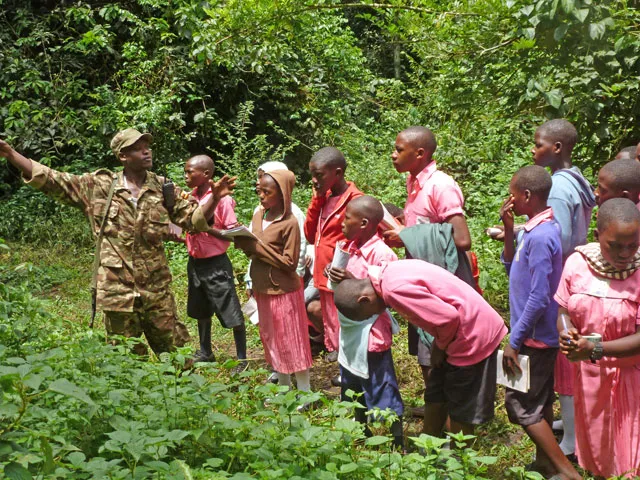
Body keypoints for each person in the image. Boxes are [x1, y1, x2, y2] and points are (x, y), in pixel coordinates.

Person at [0, 130, 234, 356]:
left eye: (147, 148)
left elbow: (193, 221)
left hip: (156, 289)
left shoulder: (164, 188)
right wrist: (11, 154)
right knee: (126, 358)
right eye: (138, 149)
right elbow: (53, 179)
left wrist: (214, 197)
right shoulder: (99, 186)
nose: (146, 153)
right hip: (117, 291)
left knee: (177, 354)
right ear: (122, 156)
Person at [333, 259, 507, 440]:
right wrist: (440, 344)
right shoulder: (387, 273)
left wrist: (439, 346)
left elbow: (448, 318)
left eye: (369, 314)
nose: (375, 314)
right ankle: (428, 447)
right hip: (453, 334)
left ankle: (458, 460)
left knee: (461, 407)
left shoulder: (393, 291)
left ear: (364, 300)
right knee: (435, 394)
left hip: (471, 333)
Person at [382, 126, 473, 409]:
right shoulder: (414, 182)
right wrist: (405, 238)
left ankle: (447, 420)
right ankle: (438, 409)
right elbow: (428, 229)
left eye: (399, 150)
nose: (393, 155)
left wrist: (408, 235)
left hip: (441, 282)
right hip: (421, 278)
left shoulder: (440, 186)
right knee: (425, 353)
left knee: (438, 351)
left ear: (420, 153)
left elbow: (461, 238)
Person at [499, 166, 580, 479]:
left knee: (519, 404)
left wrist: (514, 341)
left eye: (514, 194)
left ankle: (565, 471)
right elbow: (511, 268)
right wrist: (508, 229)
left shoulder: (543, 236)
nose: (510, 200)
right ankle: (546, 465)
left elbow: (540, 295)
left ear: (527, 195)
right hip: (529, 333)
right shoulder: (533, 230)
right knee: (541, 401)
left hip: (533, 337)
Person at [556, 198, 640, 478]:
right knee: (598, 451)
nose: (624, 253)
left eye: (632, 245)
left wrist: (596, 348)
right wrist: (566, 332)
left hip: (632, 380)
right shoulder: (578, 263)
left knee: (630, 456)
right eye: (614, 245)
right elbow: (564, 309)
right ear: (597, 236)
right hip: (590, 378)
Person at [531, 118, 596, 457]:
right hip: (575, 271)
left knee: (564, 356)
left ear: (557, 148)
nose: (533, 148)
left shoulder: (557, 186)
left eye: (538, 143)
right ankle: (570, 424)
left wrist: (517, 234)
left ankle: (570, 441)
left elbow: (559, 237)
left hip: (562, 277)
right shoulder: (578, 178)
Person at [327, 196, 403, 448]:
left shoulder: (382, 254)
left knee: (380, 385)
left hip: (371, 333)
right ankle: (361, 428)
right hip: (350, 331)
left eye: (347, 217)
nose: (342, 221)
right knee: (352, 383)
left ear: (364, 223)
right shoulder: (351, 247)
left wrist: (350, 280)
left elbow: (389, 295)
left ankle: (396, 440)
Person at [233, 169, 313, 404]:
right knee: (272, 337)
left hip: (284, 290)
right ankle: (284, 390)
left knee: (292, 339)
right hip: (262, 287)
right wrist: (246, 244)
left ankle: (306, 393)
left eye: (267, 192)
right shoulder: (259, 215)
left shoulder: (289, 223)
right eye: (260, 191)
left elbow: (289, 263)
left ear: (283, 194)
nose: (262, 196)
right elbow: (254, 247)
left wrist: (257, 249)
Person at [183, 155, 246, 365]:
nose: (186, 176)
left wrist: (208, 229)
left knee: (230, 310)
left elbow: (233, 232)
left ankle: (242, 359)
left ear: (206, 174)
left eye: (190, 172)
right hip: (195, 263)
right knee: (201, 310)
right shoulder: (189, 198)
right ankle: (205, 351)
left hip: (216, 263)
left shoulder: (223, 199)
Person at [304, 147, 363, 367]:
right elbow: (310, 235)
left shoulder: (355, 200)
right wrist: (316, 201)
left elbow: (361, 239)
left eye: (319, 175)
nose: (314, 180)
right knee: (329, 318)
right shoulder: (323, 198)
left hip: (341, 272)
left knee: (343, 320)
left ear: (337, 173)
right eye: (312, 175)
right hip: (322, 271)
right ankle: (336, 352)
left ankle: (347, 362)